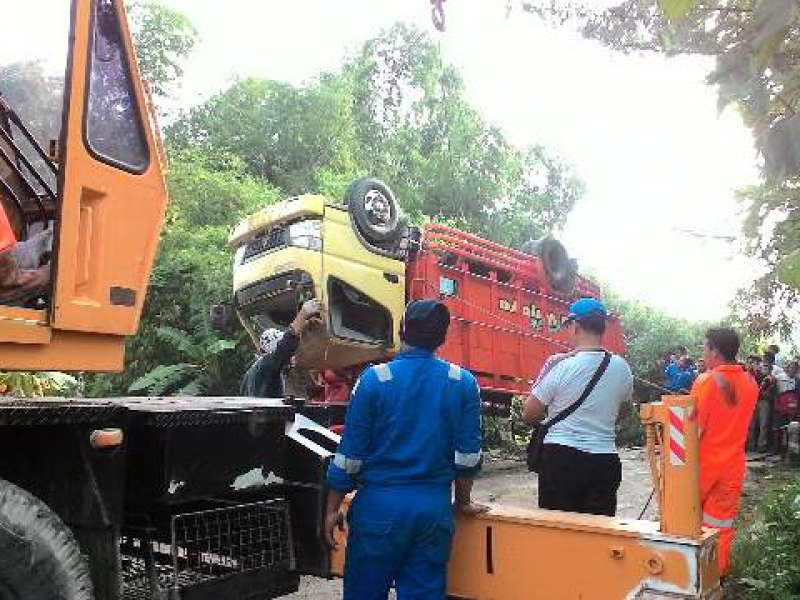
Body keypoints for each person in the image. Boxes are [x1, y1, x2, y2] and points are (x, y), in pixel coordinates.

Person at [324, 299, 485, 600]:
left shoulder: (373, 380)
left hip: (378, 511)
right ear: (443, 337)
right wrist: (463, 501)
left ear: (402, 330)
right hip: (432, 510)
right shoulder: (463, 383)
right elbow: (468, 458)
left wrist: (332, 508)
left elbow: (349, 457)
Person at [522, 297, 633, 516]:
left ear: (575, 326)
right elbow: (623, 411)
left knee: (559, 529)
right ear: (603, 327)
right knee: (597, 531)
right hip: (604, 460)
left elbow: (529, 414)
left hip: (561, 459)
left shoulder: (561, 365)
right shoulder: (622, 368)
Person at [690, 327, 757, 577]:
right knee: (720, 525)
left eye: (704, 348)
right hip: (733, 467)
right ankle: (715, 578)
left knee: (686, 522)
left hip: (703, 468)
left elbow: (694, 432)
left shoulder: (706, 381)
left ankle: (688, 577)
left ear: (715, 351)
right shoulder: (750, 382)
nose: (702, 353)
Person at [239, 299, 319, 397]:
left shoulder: (250, 373)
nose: (292, 357)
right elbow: (284, 348)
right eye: (291, 355)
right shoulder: (267, 365)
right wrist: (303, 315)